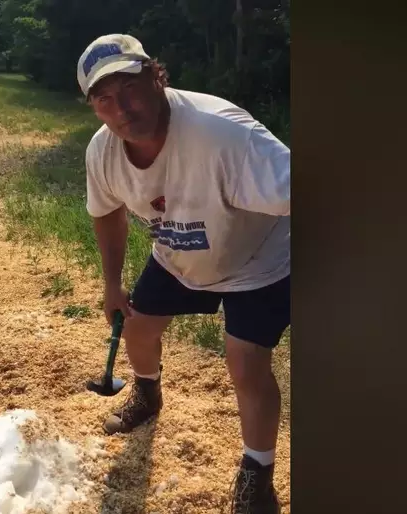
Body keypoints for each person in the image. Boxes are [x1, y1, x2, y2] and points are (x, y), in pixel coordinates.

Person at [77, 34, 290, 513]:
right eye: (104, 99)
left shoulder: (224, 136)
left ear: (157, 77)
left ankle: (256, 474)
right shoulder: (103, 152)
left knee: (245, 363)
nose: (122, 109)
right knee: (137, 326)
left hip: (258, 259)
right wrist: (112, 283)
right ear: (94, 107)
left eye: (130, 88)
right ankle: (147, 394)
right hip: (179, 251)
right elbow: (107, 211)